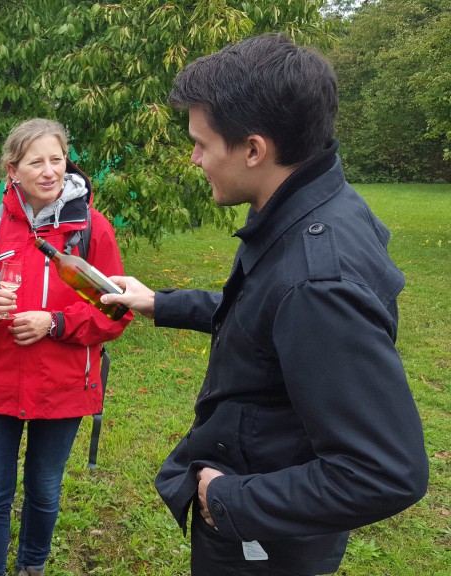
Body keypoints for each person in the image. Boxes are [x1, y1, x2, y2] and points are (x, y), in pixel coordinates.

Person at [100, 34, 428, 575]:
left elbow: (387, 470)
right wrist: (161, 303)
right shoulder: (311, 206)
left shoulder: (317, 280)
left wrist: (229, 499)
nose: (195, 157)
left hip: (267, 542)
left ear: (254, 150)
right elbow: (267, 318)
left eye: (203, 143)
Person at [0, 118, 132, 576]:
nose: (49, 171)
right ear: (13, 169)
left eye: (57, 159)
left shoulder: (93, 230)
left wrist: (55, 322)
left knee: (45, 489)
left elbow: (117, 312)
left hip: (64, 387)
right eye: (36, 162)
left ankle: (33, 566)